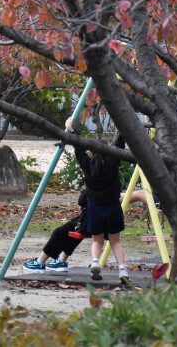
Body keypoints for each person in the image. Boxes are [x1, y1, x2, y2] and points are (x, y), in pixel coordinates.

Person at [68, 117, 131, 283]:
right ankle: (122, 270)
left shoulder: (87, 166)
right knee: (115, 242)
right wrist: (123, 125)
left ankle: (95, 262)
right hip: (113, 208)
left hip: (95, 209)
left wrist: (71, 130)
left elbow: (78, 149)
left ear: (91, 153)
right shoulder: (113, 162)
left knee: (97, 241)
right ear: (108, 152)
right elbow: (119, 143)